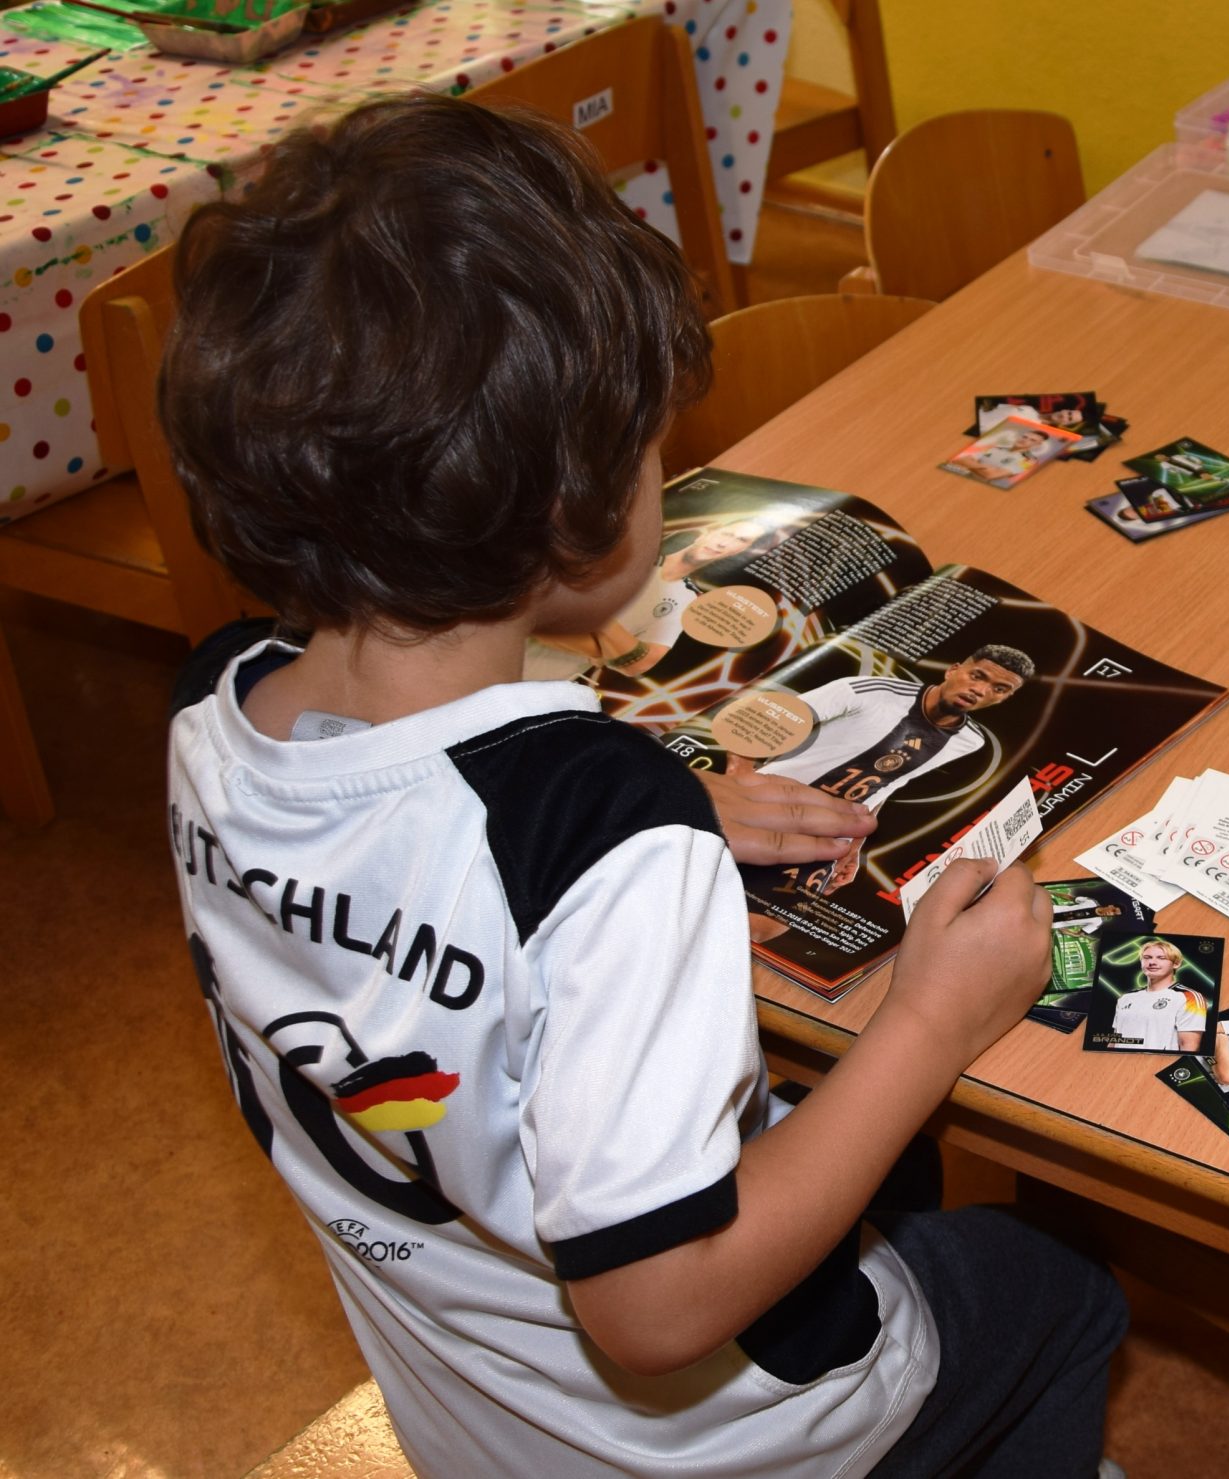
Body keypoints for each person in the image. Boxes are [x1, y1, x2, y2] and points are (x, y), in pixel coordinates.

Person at [160, 94, 1124, 1479]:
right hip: (728, 1442)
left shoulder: (214, 702)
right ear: (581, 506)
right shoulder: (606, 836)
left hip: (478, 1416)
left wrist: (610, 802)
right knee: (1052, 1283)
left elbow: (414, 864)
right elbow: (655, 1306)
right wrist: (930, 1018)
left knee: (871, 1154)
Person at [729, 645, 1035, 895]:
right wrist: (736, 784)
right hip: (765, 808)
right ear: (954, 669)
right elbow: (765, 720)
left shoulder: (970, 741)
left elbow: (890, 782)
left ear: (1006, 697)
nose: (980, 690)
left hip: (830, 833)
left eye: (999, 688)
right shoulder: (871, 692)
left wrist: (855, 845)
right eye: (976, 676)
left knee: (770, 926)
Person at [531, 515, 780, 677]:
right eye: (728, 533)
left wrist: (595, 617)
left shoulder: (688, 601)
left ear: (743, 551)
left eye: (741, 541)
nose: (726, 544)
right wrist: (607, 650)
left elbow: (643, 664)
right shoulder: (630, 553)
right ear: (711, 530)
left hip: (542, 689)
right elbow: (539, 616)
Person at [1105, 937, 1207, 1052]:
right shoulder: (1126, 998)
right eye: (1147, 957)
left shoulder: (1189, 997)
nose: (1152, 962)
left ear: (1176, 964)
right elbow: (1115, 1040)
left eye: (1161, 958)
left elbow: (1189, 1046)